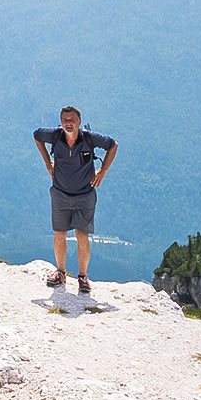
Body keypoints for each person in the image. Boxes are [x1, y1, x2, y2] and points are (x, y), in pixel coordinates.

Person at [34, 106, 118, 294]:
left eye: (72, 119)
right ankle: (61, 272)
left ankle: (82, 277)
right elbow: (37, 135)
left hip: (85, 194)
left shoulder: (89, 138)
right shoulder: (55, 135)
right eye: (65, 119)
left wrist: (103, 171)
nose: (68, 123)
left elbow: (113, 145)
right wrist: (48, 163)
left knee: (82, 236)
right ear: (61, 121)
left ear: (79, 122)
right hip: (60, 193)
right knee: (59, 234)